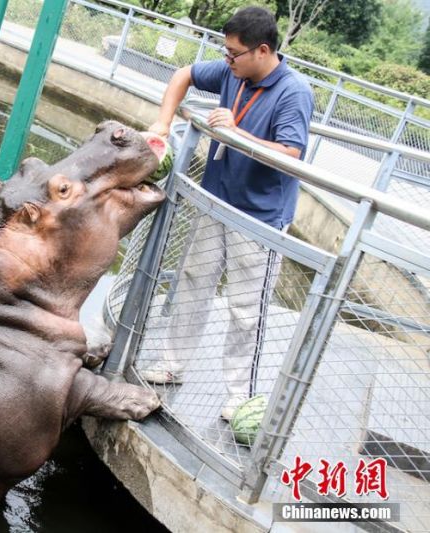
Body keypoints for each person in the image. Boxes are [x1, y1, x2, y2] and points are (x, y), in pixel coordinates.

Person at [139, 6, 314, 421]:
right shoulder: (233, 74)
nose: (227, 60)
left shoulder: (294, 92)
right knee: (193, 282)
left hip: (260, 220)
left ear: (263, 50)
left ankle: (242, 396)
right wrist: (163, 125)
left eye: (234, 53)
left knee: (245, 308)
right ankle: (172, 364)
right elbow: (184, 73)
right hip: (215, 201)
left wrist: (236, 133)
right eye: (225, 52)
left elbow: (292, 155)